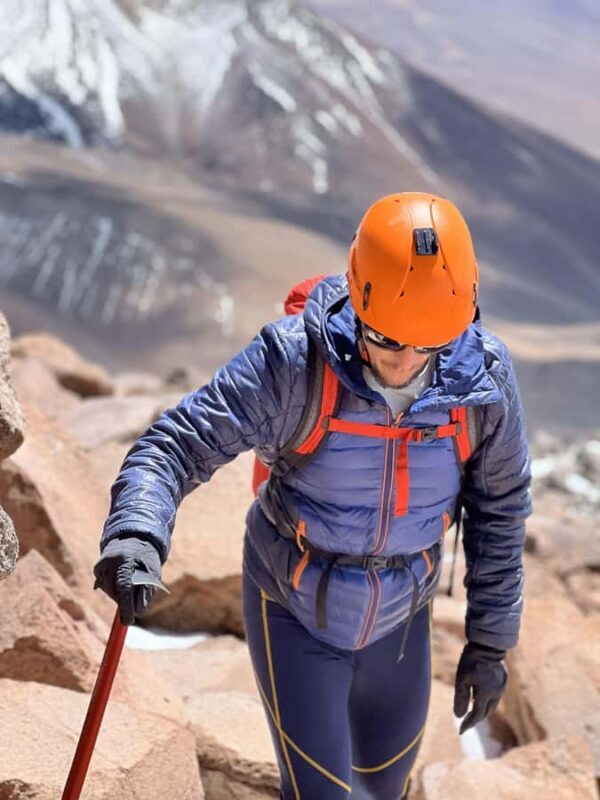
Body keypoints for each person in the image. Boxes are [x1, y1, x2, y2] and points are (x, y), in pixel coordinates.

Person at [94, 192, 532, 799]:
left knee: (381, 790)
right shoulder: (293, 365)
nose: (404, 364)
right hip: (294, 605)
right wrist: (137, 532)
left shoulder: (483, 381)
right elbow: (176, 445)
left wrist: (490, 641)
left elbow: (500, 507)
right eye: (385, 339)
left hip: (403, 613)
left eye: (427, 345)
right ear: (356, 298)